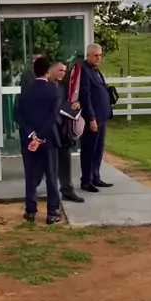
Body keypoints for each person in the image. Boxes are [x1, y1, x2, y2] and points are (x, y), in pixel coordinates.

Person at [15, 56, 61, 224]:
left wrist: (32, 135)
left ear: (34, 72)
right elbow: (53, 117)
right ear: (48, 71)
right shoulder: (54, 90)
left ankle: (30, 211)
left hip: (29, 140)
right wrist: (40, 136)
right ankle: (52, 213)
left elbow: (18, 115)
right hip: (48, 139)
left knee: (30, 176)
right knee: (51, 176)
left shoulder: (25, 90)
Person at [79, 44, 113, 192]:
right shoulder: (85, 71)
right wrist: (91, 118)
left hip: (102, 117)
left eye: (100, 55)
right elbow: (85, 96)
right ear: (88, 56)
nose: (98, 58)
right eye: (95, 55)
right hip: (93, 119)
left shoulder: (95, 70)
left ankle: (96, 176)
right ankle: (86, 180)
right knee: (89, 149)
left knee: (99, 149)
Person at [49, 60, 85, 203]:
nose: (63, 73)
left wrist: (76, 104)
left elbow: (70, 100)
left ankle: (67, 190)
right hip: (48, 130)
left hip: (62, 130)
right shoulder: (44, 85)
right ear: (51, 70)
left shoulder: (63, 86)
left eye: (64, 71)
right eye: (60, 70)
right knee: (45, 164)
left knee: (65, 159)